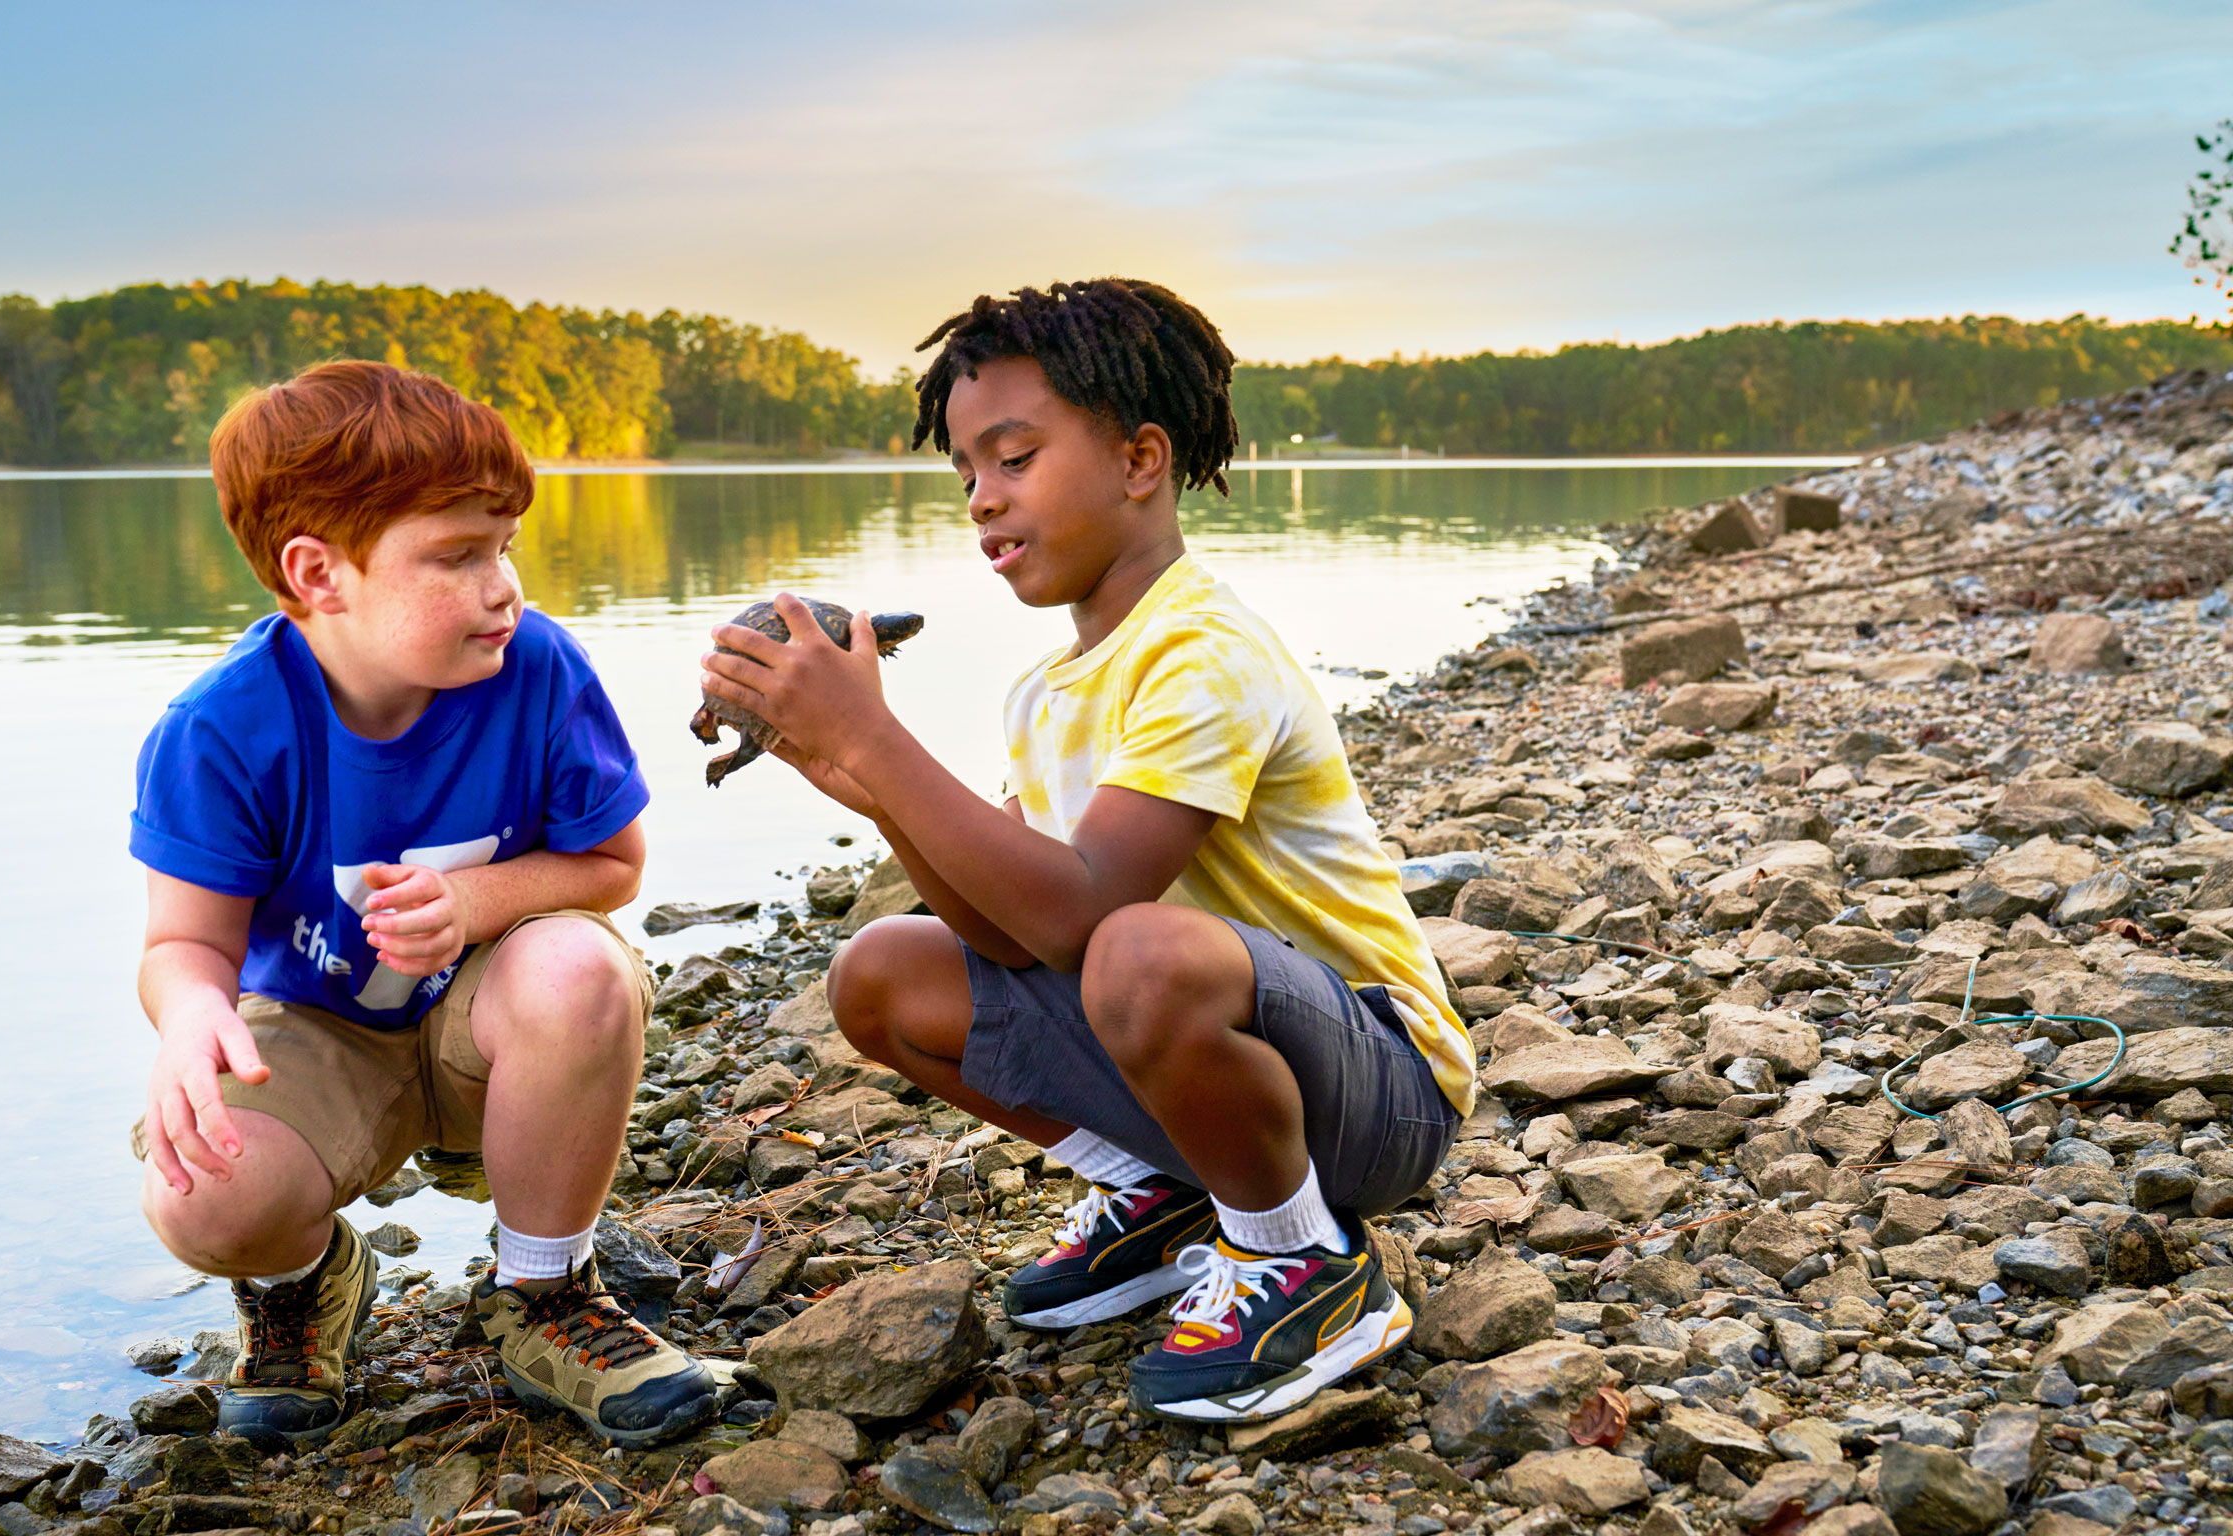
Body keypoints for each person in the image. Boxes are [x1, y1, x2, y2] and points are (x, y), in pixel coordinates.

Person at [699, 279, 1477, 1424]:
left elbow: (1085, 913)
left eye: (1013, 458)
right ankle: (1172, 1194)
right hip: (1224, 1066)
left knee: (1137, 954)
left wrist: (876, 731)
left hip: (1380, 1090)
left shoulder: (1204, 650)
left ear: (1139, 459)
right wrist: (861, 780)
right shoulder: (1045, 692)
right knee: (879, 974)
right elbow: (1008, 931)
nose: (980, 498)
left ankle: (1304, 1261)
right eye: (965, 472)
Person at [129, 360, 718, 1449]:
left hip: (490, 1032)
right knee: (202, 1193)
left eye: (506, 547)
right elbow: (182, 944)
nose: (505, 587)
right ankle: (303, 1281)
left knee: (580, 966)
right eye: (458, 556)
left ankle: (544, 1294)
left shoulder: (535, 667)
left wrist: (479, 896)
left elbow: (613, 868)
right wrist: (189, 1016)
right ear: (319, 574)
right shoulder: (219, 729)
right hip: (321, 1037)